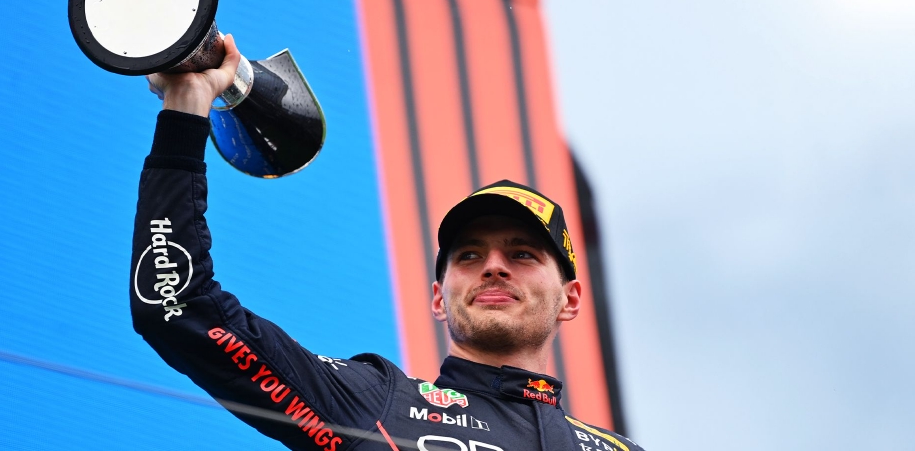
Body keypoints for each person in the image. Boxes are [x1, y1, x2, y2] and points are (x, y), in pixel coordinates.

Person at [132, 34, 644, 451]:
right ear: (438, 298)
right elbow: (179, 307)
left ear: (570, 299)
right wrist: (185, 107)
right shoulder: (374, 402)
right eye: (468, 255)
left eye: (522, 254)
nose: (493, 265)